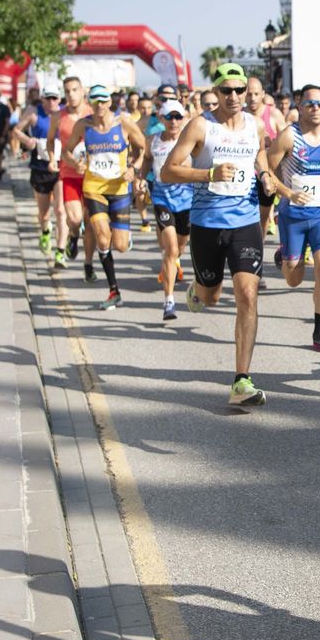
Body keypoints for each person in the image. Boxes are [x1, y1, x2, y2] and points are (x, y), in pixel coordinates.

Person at [162, 63, 273, 407]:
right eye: (228, 91)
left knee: (247, 294)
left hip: (245, 221)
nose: (235, 97)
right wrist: (209, 173)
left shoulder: (254, 125)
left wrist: (266, 173)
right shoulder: (201, 125)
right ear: (217, 93)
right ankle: (199, 287)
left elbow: (260, 153)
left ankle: (242, 379)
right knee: (211, 297)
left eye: (241, 90)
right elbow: (168, 171)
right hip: (207, 223)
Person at [265, 85, 320, 352]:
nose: (316, 109)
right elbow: (266, 168)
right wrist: (287, 192)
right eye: (310, 104)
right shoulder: (289, 136)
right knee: (294, 279)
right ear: (300, 107)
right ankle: (284, 256)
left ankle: (319, 332)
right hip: (293, 216)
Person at [63, 85, 147, 310]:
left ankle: (124, 237)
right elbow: (66, 151)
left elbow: (142, 147)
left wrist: (134, 168)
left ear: (110, 102)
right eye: (95, 101)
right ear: (90, 103)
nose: (100, 105)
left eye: (104, 100)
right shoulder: (83, 125)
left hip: (119, 188)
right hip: (94, 188)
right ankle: (114, 291)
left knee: (119, 245)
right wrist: (74, 163)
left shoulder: (124, 123)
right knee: (102, 238)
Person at [144, 100, 194, 321]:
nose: (174, 121)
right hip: (162, 198)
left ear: (183, 119)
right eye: (169, 117)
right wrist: (138, 177)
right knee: (171, 249)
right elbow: (146, 161)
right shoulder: (152, 141)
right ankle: (169, 301)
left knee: (181, 247)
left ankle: (172, 266)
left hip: (187, 200)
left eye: (178, 117)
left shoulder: (191, 141)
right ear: (161, 119)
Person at [49, 75, 95, 276]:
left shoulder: (93, 114)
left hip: (93, 175)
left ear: (83, 91)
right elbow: (51, 140)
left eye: (75, 90)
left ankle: (88, 264)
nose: (71, 95)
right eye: (67, 91)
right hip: (69, 173)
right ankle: (73, 236)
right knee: (75, 219)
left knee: (91, 221)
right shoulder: (58, 117)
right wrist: (52, 158)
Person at [12, 86, 61, 256]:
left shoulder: (64, 114)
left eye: (55, 98)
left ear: (60, 100)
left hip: (60, 167)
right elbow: (16, 130)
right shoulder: (34, 113)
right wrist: (28, 140)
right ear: (42, 99)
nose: (52, 102)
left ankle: (61, 249)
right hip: (40, 166)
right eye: (48, 98)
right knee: (44, 213)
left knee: (61, 210)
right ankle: (46, 232)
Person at [248, 76, 287, 239]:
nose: (253, 98)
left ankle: (259, 245)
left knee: (263, 216)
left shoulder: (273, 114)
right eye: (249, 94)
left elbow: (287, 141)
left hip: (268, 173)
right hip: (246, 174)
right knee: (247, 216)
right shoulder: (239, 115)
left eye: (256, 94)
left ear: (263, 94)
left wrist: (273, 142)